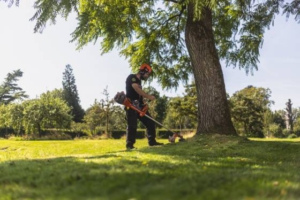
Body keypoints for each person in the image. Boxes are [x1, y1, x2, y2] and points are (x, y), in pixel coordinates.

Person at [125, 63, 164, 150]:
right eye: (147, 74)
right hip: (131, 105)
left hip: (139, 106)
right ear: (142, 71)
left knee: (150, 121)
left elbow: (139, 94)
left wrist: (143, 101)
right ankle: (130, 145)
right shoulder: (132, 77)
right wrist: (149, 96)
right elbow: (136, 89)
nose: (147, 76)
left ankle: (152, 141)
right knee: (132, 125)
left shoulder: (139, 82)